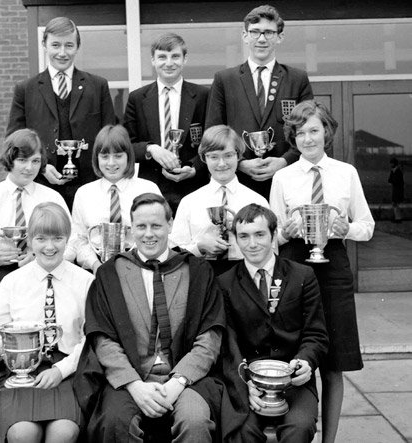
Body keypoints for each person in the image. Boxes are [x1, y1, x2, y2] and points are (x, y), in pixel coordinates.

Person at [74, 193, 226, 443]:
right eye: (141, 226)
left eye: (156, 226)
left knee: (196, 421)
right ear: (131, 229)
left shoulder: (198, 271)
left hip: (185, 379)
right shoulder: (110, 274)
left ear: (170, 224)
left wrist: (178, 382)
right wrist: (134, 384)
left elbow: (210, 337)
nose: (148, 234)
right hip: (131, 379)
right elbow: (102, 339)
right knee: (115, 422)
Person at [269, 100, 374, 443]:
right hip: (295, 267)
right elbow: (272, 236)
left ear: (326, 133)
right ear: (293, 138)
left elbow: (367, 226)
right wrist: (288, 230)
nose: (308, 139)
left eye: (314, 130)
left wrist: (346, 230)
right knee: (296, 356)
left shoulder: (346, 173)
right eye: (300, 133)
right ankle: (297, 432)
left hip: (334, 268)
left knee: (333, 362)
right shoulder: (282, 177)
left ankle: (329, 441)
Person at [0, 202, 94, 443]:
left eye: (58, 238)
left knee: (63, 433)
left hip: (69, 369)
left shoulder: (86, 282)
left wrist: (61, 371)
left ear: (68, 239)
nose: (50, 247)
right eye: (41, 239)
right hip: (19, 371)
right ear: (29, 240)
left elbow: (92, 338)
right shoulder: (11, 282)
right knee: (23, 434)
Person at [218, 203, 328, 443]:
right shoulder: (224, 284)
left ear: (273, 234)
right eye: (244, 237)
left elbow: (316, 334)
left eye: (260, 235)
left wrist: (306, 361)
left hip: (294, 380)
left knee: (299, 428)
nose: (252, 244)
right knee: (241, 431)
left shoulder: (302, 276)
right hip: (248, 382)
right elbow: (229, 342)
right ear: (235, 239)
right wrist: (243, 383)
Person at [0, 128, 70, 328]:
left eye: (35, 161)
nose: (29, 168)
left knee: (40, 334)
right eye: (22, 160)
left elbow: (73, 241)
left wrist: (39, 256)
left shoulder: (52, 197)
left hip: (42, 274)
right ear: (10, 159)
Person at [6, 16, 116, 210]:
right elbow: (14, 141)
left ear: (77, 46)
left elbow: (110, 137)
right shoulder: (25, 89)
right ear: (44, 44)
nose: (62, 53)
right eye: (55, 45)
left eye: (69, 45)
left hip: (90, 185)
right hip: (41, 183)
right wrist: (41, 166)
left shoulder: (98, 86)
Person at [205, 5, 313, 199]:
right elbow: (213, 133)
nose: (262, 39)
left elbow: (309, 130)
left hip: (287, 180)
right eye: (255, 32)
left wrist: (284, 161)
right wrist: (240, 162)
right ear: (245, 36)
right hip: (238, 181)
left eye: (269, 33)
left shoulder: (297, 79)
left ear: (280, 37)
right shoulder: (224, 79)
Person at [123, 32, 209, 213]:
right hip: (151, 186)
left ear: (185, 59)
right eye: (162, 57)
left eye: (175, 56)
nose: (169, 63)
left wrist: (194, 167)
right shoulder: (137, 98)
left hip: (192, 185)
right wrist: (150, 149)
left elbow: (210, 141)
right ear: (153, 60)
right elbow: (126, 144)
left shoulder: (203, 96)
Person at [171, 125, 269, 276]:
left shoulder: (257, 201)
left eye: (228, 155)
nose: (222, 164)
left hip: (246, 276)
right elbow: (175, 251)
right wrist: (200, 247)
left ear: (238, 155)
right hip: (202, 275)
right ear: (204, 158)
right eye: (214, 157)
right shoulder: (189, 202)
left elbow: (270, 250)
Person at [67, 124, 162, 274]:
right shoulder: (84, 193)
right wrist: (95, 265)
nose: (111, 163)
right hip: (97, 269)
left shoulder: (148, 189)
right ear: (96, 157)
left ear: (129, 157)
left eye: (118, 156)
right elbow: (80, 239)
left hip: (143, 267)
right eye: (104, 156)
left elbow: (161, 233)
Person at [388, 157, 404, 223]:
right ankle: (397, 217)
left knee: (396, 203)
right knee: (395, 203)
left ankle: (398, 218)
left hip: (398, 189)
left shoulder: (397, 171)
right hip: (395, 189)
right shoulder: (394, 171)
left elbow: (396, 181)